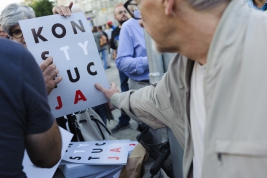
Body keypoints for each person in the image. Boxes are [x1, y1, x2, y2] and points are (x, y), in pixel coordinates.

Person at [96, 0, 267, 177]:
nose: (139, 20)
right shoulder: (184, 65)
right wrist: (116, 97)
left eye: (138, 6)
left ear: (167, 3)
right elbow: (154, 100)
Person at [0, 38, 62, 177]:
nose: (21, 38)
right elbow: (48, 156)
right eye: (15, 32)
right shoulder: (13, 55)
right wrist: (36, 92)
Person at [0, 3, 66, 95]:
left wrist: (61, 19)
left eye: (28, 27)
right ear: (11, 37)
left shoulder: (51, 43)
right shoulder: (7, 67)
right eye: (17, 32)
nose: (25, 37)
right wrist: (39, 90)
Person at [109, 5, 131, 133]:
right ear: (115, 17)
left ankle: (144, 122)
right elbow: (114, 48)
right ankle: (124, 120)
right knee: (124, 91)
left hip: (135, 67)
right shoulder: (115, 32)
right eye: (120, 12)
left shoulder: (134, 26)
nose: (123, 14)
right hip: (123, 68)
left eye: (124, 11)